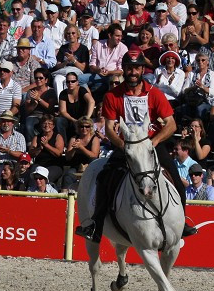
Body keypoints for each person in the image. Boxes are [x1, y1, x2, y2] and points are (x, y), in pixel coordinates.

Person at [75, 53, 194, 242]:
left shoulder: (155, 93)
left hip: (153, 144)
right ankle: (96, 225)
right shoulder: (113, 96)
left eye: (136, 68)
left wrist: (153, 143)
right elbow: (109, 128)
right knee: (105, 177)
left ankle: (183, 222)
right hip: (126, 145)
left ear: (141, 70)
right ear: (124, 69)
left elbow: (171, 125)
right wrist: (124, 146)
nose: (133, 72)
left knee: (176, 180)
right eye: (129, 68)